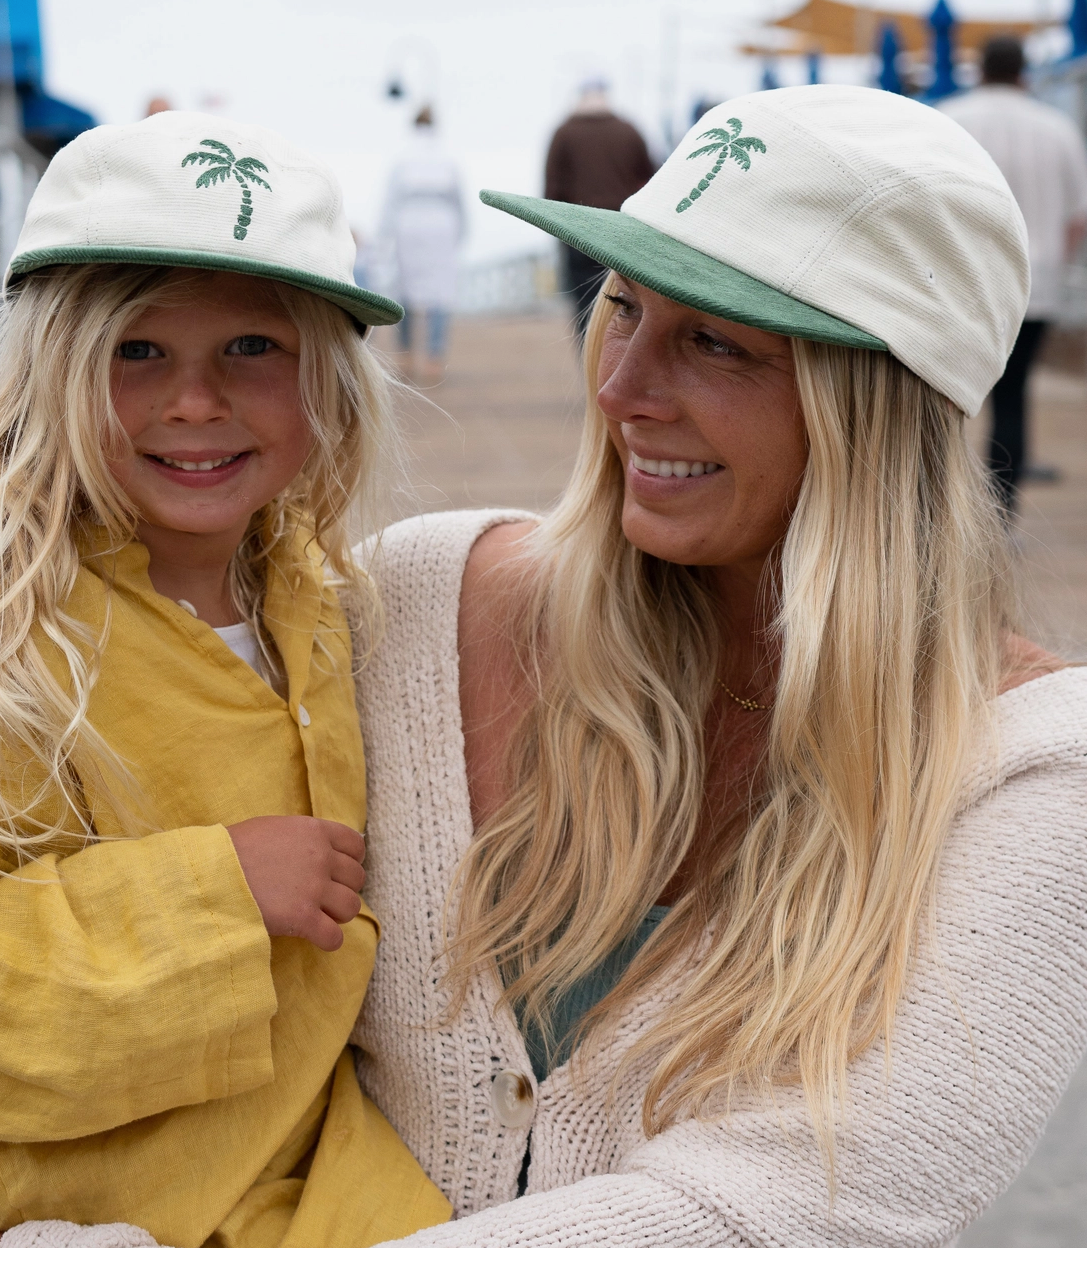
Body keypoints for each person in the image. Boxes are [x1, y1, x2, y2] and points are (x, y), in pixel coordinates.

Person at [350, 85, 1087, 1244]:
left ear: (875, 407)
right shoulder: (414, 599)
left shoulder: (1034, 774)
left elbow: (776, 1213)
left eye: (711, 341)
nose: (619, 388)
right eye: (624, 309)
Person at [0, 112, 451, 1248]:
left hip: (296, 1166)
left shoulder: (319, 603)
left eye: (251, 349)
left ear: (325, 383)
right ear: (52, 375)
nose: (194, 400)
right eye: (137, 352)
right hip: (42, 1208)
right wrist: (217, 893)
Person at [941, 34, 1087, 512]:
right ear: (1024, 71)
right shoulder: (1058, 128)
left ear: (979, 67)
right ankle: (1001, 519)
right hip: (1035, 289)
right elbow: (1076, 219)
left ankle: (937, 514)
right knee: (1012, 400)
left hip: (961, 288)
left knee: (939, 404)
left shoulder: (953, 119)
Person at [544, 75, 655, 337]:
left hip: (578, 234)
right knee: (625, 303)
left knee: (585, 306)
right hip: (623, 232)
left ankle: (590, 366)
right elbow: (651, 181)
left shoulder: (563, 133)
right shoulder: (629, 130)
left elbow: (551, 191)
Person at [382, 106, 465, 385]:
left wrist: (384, 236)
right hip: (442, 223)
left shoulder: (403, 156)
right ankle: (434, 357)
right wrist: (461, 233)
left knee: (404, 289)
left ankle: (405, 355)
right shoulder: (447, 156)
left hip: (409, 222)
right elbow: (459, 200)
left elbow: (390, 200)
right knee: (441, 293)